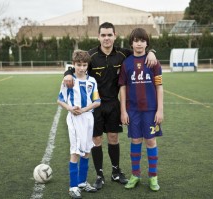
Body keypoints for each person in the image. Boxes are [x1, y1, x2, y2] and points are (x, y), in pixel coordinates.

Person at [64, 22, 157, 190]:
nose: (106, 38)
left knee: (113, 137)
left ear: (115, 36)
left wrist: (152, 52)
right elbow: (77, 65)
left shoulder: (123, 53)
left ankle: (116, 171)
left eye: (109, 35)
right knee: (96, 139)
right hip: (95, 105)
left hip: (114, 103)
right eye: (103, 35)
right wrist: (66, 75)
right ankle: (100, 175)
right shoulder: (90, 55)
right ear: (98, 37)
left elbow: (140, 51)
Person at [118, 28, 163, 191]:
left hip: (151, 109)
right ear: (131, 43)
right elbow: (122, 87)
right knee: (135, 140)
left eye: (142, 41)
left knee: (151, 140)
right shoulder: (126, 63)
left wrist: (160, 110)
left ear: (147, 43)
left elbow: (159, 87)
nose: (139, 43)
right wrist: (123, 111)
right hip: (133, 110)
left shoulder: (153, 62)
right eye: (136, 40)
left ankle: (153, 176)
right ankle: (135, 174)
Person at [57, 50, 101, 198]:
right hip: (75, 119)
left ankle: (82, 182)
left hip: (88, 118)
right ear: (73, 64)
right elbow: (60, 99)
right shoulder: (68, 80)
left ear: (87, 65)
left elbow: (97, 102)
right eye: (78, 65)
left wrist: (84, 110)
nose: (81, 68)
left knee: (87, 150)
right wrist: (70, 108)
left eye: (84, 65)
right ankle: (73, 186)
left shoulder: (92, 81)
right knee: (75, 151)